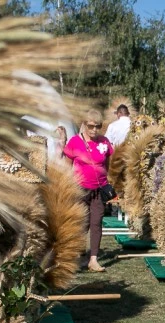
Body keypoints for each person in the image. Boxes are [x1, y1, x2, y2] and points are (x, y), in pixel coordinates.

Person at [63, 110, 114, 272]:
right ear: (84, 124)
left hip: (99, 189)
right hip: (80, 189)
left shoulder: (105, 142)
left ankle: (93, 259)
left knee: (96, 222)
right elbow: (66, 166)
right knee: (80, 224)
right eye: (91, 126)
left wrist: (105, 179)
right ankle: (77, 257)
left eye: (98, 126)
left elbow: (106, 164)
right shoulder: (74, 142)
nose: (94, 130)